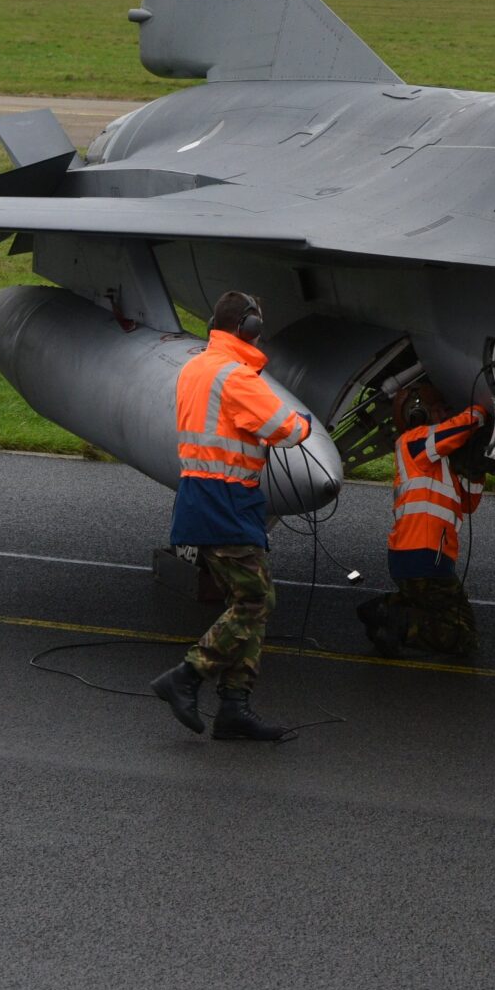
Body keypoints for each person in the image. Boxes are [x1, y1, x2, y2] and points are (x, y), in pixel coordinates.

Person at [149, 290, 313, 742]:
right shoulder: (237, 377)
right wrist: (307, 421)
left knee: (246, 606)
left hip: (203, 498)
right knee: (255, 602)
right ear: (250, 328)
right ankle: (185, 676)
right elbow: (287, 428)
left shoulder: (197, 367)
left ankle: (234, 708)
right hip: (226, 500)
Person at [358, 381, 495, 660]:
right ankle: (397, 624)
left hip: (417, 556)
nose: (446, 413)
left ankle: (384, 612)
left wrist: (477, 468)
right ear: (418, 415)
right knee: (463, 636)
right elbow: (457, 429)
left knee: (428, 604)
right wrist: (483, 411)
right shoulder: (413, 442)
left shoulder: (441, 461)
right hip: (425, 555)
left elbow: (469, 504)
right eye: (440, 408)